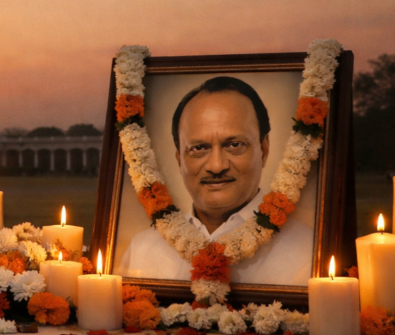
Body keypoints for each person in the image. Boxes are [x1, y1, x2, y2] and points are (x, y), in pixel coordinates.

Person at [118, 77, 312, 285]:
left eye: (234, 144)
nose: (217, 166)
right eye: (199, 148)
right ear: (179, 160)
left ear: (263, 150)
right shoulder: (142, 251)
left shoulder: (308, 252)